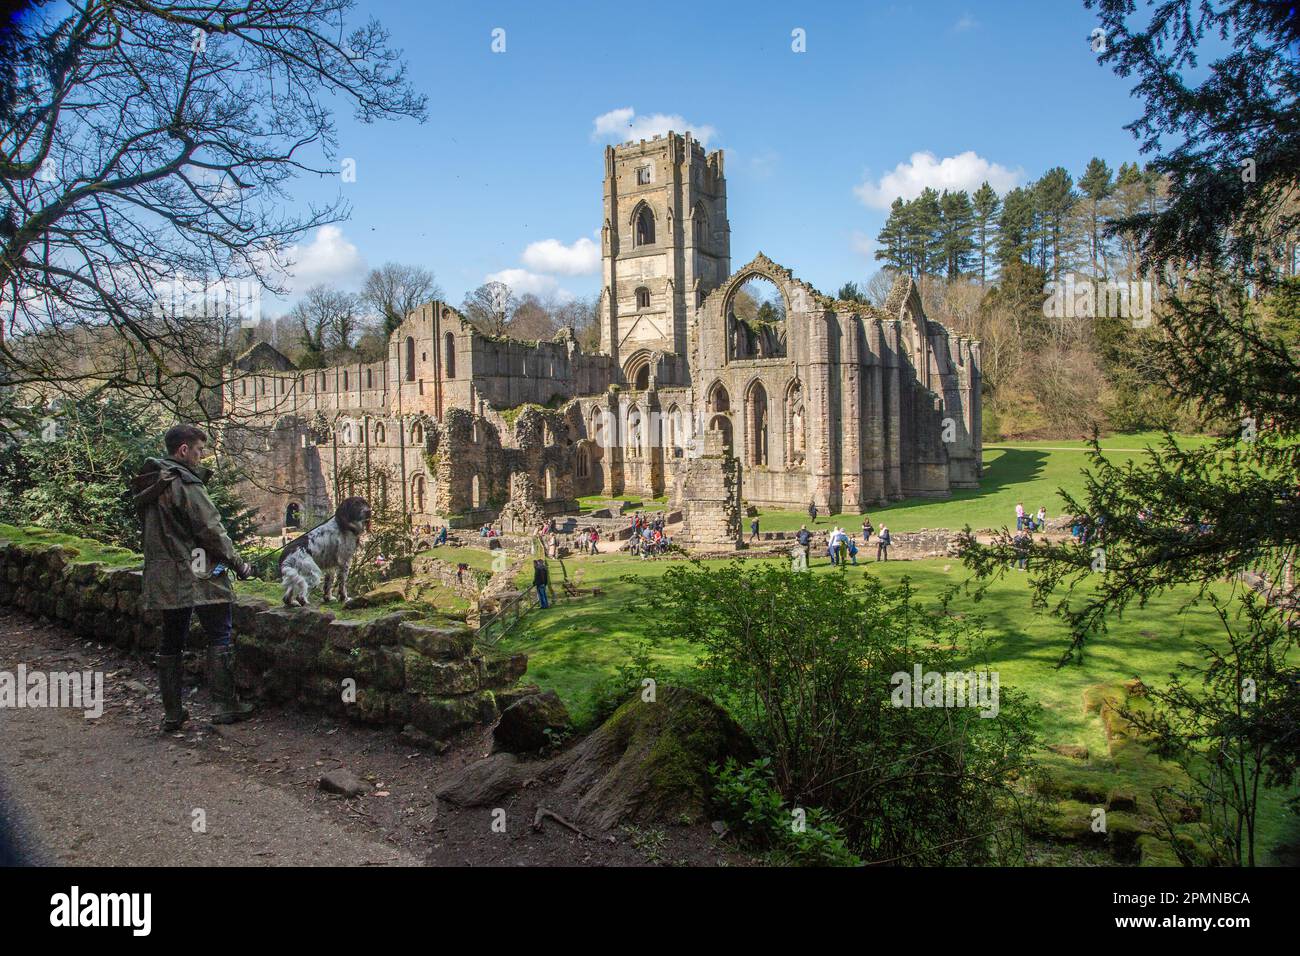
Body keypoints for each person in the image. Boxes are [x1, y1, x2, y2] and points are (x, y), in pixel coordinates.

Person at [132, 424, 254, 731]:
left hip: (165, 575)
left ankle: (173, 713)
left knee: (171, 640)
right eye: (198, 451)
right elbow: (211, 531)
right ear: (183, 450)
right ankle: (225, 706)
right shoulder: (185, 483)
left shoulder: (150, 483)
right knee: (220, 633)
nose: (201, 458)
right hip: (198, 574)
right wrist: (239, 564)